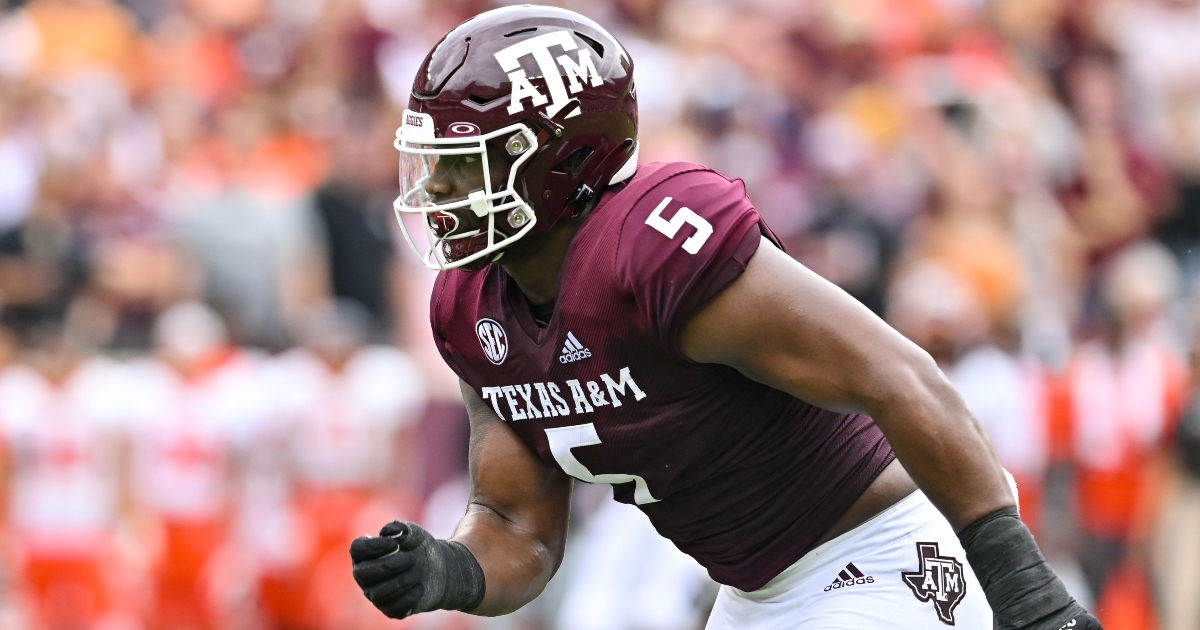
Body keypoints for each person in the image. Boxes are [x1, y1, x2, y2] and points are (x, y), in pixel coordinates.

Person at [349, 6, 1101, 629]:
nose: (439, 191)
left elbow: (900, 378)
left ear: (558, 160)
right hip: (757, 594)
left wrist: (1028, 593)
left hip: (888, 550)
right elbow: (518, 532)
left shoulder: (653, 250)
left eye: (465, 163)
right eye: (435, 163)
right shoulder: (470, 309)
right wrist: (446, 569)